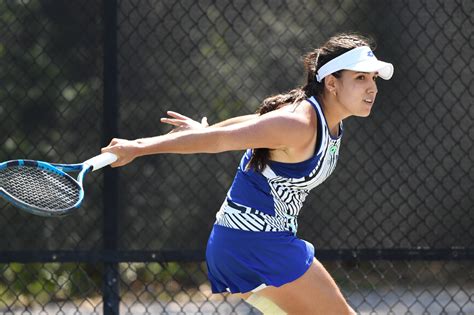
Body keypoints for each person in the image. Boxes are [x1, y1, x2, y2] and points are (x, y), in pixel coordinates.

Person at [101, 33, 393, 314]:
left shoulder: (322, 120)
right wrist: (137, 146)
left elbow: (251, 123)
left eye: (373, 79)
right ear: (332, 82)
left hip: (247, 244)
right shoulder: (299, 124)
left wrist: (207, 128)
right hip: (254, 244)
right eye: (360, 78)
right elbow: (220, 142)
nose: (372, 88)